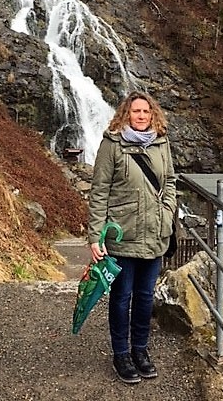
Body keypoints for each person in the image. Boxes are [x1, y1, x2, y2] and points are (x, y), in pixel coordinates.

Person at [88, 90, 177, 385]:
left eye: (146, 111)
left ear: (153, 115)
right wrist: (95, 236)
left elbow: (170, 181)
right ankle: (121, 353)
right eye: (136, 111)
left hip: (154, 233)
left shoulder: (161, 142)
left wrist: (168, 211)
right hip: (123, 234)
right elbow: (99, 191)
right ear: (126, 113)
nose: (141, 116)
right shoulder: (112, 144)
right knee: (121, 297)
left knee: (145, 297)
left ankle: (140, 349)